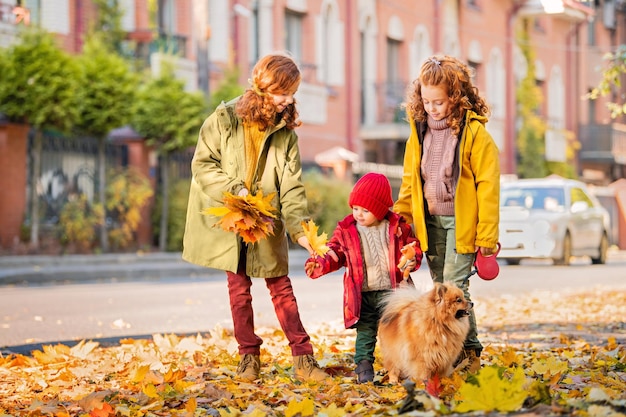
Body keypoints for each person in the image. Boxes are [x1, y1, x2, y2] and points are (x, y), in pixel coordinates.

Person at [182, 53, 328, 383]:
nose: (288, 100)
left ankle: (303, 359)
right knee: (238, 291)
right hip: (232, 219)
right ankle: (248, 358)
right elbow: (204, 166)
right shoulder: (223, 119)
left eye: (292, 92)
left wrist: (302, 231)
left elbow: (292, 187)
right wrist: (235, 190)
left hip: (268, 221)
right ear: (262, 87)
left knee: (281, 288)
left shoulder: (285, 134)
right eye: (283, 92)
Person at [393, 55, 500, 373]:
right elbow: (410, 181)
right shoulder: (419, 133)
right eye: (426, 101)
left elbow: (488, 188)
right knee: (442, 288)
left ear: (456, 97)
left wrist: (488, 236)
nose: (432, 108)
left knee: (455, 288)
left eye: (438, 102)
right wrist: (402, 221)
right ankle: (455, 351)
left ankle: (470, 352)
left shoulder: (476, 135)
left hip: (463, 223)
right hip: (430, 223)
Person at [304, 172, 422, 383]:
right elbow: (335, 252)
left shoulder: (396, 228)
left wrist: (412, 259)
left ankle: (400, 366)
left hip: (393, 293)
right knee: (366, 332)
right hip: (363, 293)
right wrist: (320, 263)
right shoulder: (347, 230)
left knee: (397, 331)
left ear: (379, 210)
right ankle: (364, 366)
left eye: (365, 210)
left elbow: (411, 249)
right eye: (355, 208)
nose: (358, 214)